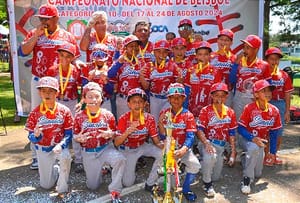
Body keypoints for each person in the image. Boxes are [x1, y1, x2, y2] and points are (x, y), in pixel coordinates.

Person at [19, 4, 80, 170]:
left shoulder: (67, 36)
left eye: (47, 18)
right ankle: (36, 155)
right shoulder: (35, 33)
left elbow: (74, 60)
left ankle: (62, 153)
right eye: (41, 18)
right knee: (37, 115)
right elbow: (22, 52)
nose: (43, 21)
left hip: (60, 81)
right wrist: (36, 36)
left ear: (56, 18)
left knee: (61, 117)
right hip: (40, 80)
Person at [73, 82, 126, 202]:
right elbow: (75, 135)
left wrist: (111, 134)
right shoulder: (79, 116)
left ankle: (115, 190)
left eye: (97, 96)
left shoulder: (108, 115)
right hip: (89, 153)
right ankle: (101, 169)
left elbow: (115, 133)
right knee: (93, 186)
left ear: (102, 98)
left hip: (105, 149)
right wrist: (77, 138)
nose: (94, 100)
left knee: (120, 159)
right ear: (84, 99)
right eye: (90, 97)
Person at [25, 76, 73, 200]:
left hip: (59, 147)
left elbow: (69, 134)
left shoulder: (65, 111)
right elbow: (31, 137)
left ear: (57, 93)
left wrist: (61, 145)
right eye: (43, 90)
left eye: (50, 91)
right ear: (39, 93)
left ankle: (62, 188)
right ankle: (56, 170)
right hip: (44, 148)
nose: (47, 94)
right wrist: (36, 136)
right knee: (46, 185)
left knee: (66, 157)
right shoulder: (35, 113)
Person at [114, 88, 163, 190]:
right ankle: (125, 165)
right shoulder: (124, 118)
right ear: (129, 104)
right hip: (128, 149)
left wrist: (166, 146)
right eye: (134, 102)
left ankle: (150, 183)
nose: (137, 105)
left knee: (163, 154)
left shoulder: (149, 118)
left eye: (140, 102)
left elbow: (156, 141)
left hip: (142, 146)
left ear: (145, 103)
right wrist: (128, 131)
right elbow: (117, 143)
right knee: (128, 183)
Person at [158, 83, 201, 202]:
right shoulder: (165, 114)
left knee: (195, 165)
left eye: (179, 97)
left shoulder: (188, 115)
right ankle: (156, 186)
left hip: (182, 148)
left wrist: (184, 149)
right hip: (168, 149)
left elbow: (191, 136)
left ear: (184, 98)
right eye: (173, 97)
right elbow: (162, 135)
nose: (176, 100)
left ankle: (186, 189)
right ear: (168, 99)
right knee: (170, 183)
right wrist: (160, 124)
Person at [238, 79, 281, 195]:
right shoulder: (249, 108)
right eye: (264, 91)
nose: (268, 93)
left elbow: (274, 133)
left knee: (258, 174)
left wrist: (272, 152)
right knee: (253, 148)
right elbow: (240, 128)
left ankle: (244, 158)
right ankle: (246, 180)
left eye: (269, 91)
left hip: (261, 143)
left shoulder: (274, 110)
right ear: (256, 94)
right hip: (247, 139)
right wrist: (252, 138)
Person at [46, 43, 83, 173]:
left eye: (68, 56)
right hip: (57, 102)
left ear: (72, 58)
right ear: (58, 55)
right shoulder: (52, 70)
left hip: (72, 102)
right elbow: (47, 90)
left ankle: (79, 160)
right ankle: (56, 158)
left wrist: (81, 102)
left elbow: (81, 88)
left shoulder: (76, 70)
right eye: (62, 55)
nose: (65, 59)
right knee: (56, 130)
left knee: (75, 131)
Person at [196, 82, 237, 197]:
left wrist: (233, 152)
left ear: (226, 97)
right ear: (212, 96)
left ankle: (200, 163)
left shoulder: (230, 112)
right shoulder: (206, 110)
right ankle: (207, 184)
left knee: (216, 177)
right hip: (208, 143)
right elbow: (199, 130)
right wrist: (206, 143)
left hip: (222, 146)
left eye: (222, 95)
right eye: (216, 95)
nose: (219, 98)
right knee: (210, 157)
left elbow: (232, 133)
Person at [230, 34, 271, 120]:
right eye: (244, 47)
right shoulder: (239, 62)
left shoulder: (264, 65)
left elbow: (268, 85)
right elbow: (232, 80)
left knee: (254, 122)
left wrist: (262, 98)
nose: (244, 50)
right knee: (238, 122)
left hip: (255, 97)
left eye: (248, 48)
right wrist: (236, 63)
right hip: (239, 96)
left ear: (256, 50)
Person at [140, 39, 182, 122]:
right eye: (158, 51)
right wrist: (141, 76)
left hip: (168, 99)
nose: (161, 54)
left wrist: (180, 78)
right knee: (154, 122)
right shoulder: (149, 66)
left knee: (167, 123)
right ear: (154, 52)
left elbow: (179, 84)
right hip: (154, 98)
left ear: (168, 53)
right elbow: (146, 86)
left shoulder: (172, 65)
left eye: (164, 52)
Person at [264, 47, 294, 166]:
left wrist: (287, 111)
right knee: (265, 131)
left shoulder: (284, 75)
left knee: (278, 132)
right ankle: (266, 156)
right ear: (267, 59)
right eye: (272, 59)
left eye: (277, 59)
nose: (274, 62)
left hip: (280, 104)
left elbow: (287, 94)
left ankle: (274, 155)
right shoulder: (263, 74)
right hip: (266, 104)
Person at [108, 35, 146, 119]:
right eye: (131, 46)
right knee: (124, 125)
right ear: (125, 48)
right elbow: (110, 74)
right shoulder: (120, 60)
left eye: (136, 46)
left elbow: (145, 85)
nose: (134, 48)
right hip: (123, 99)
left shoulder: (141, 62)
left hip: (138, 100)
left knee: (138, 126)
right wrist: (119, 63)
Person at [184, 41, 222, 118]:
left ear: (210, 56)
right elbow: (187, 92)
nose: (203, 57)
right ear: (196, 56)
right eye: (200, 54)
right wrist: (184, 110)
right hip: (192, 111)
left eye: (206, 54)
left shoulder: (216, 71)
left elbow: (218, 94)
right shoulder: (191, 70)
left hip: (209, 112)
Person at [210, 29, 236, 106]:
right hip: (211, 92)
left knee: (226, 115)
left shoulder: (234, 58)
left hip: (227, 94)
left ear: (231, 43)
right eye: (221, 39)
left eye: (227, 40)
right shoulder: (210, 57)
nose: (223, 42)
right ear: (217, 40)